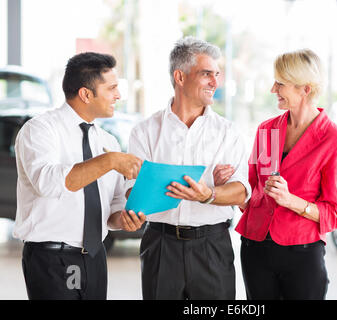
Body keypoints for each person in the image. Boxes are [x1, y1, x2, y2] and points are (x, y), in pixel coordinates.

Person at [13, 52, 146, 300]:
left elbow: (113, 208)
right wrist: (109, 161)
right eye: (112, 88)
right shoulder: (40, 130)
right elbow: (48, 182)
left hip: (95, 256)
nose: (118, 95)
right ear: (86, 94)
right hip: (53, 258)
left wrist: (125, 219)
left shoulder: (107, 140)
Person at [126, 36, 251, 300]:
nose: (215, 83)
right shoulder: (145, 132)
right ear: (180, 77)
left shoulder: (228, 133)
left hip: (212, 247)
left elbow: (241, 192)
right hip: (160, 246)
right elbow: (130, 191)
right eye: (207, 74)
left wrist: (210, 194)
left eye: (217, 74)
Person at [235, 49, 337, 300]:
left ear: (305, 89)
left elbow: (334, 214)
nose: (272, 89)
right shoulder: (266, 130)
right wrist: (232, 187)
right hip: (254, 248)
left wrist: (291, 201)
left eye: (280, 83)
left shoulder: (335, 140)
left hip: (301, 253)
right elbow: (252, 189)